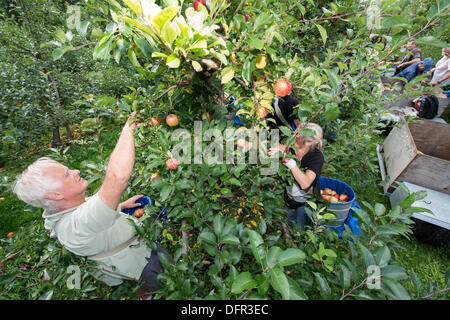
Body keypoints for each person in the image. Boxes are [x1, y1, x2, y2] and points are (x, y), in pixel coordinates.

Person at [12, 112, 173, 300]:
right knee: (168, 284)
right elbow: (117, 178)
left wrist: (120, 206)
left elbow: (90, 213)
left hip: (128, 254)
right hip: (142, 263)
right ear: (55, 195)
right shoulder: (76, 226)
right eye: (66, 175)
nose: (76, 171)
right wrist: (127, 129)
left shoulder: (62, 209)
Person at [268, 123, 324, 231]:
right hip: (290, 198)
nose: (293, 137)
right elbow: (273, 147)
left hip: (307, 203)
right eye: (294, 133)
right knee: (291, 223)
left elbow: (305, 183)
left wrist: (291, 164)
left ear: (309, 142)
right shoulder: (292, 148)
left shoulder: (316, 157)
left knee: (302, 229)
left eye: (297, 137)